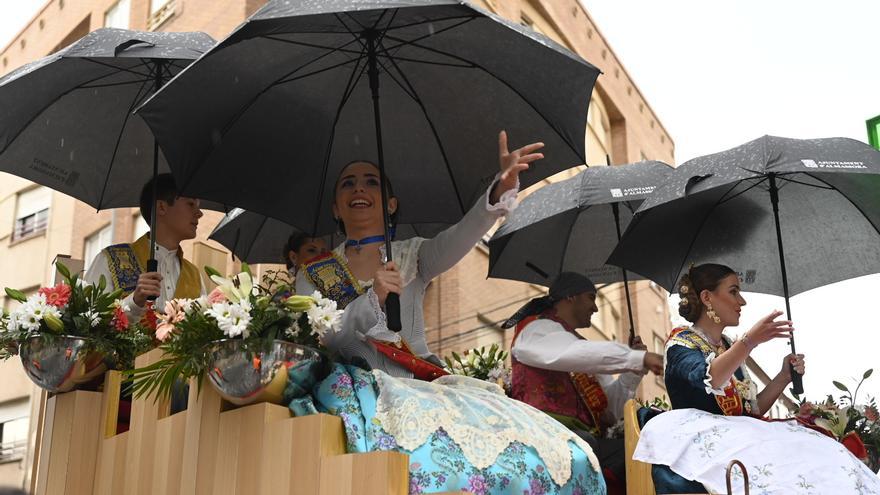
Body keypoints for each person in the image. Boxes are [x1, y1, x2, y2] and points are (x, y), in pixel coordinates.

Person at [288, 132, 607, 494]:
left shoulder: (413, 255)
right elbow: (330, 337)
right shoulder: (314, 273)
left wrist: (499, 190)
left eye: (371, 182)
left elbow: (461, 236)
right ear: (336, 208)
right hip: (354, 388)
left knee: (530, 453)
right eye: (348, 183)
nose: (359, 188)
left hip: (421, 386)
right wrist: (373, 296)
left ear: (390, 204)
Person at [633, 263, 880, 494]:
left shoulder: (727, 347)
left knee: (819, 450)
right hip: (706, 442)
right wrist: (749, 341)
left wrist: (783, 377)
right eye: (733, 292)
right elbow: (711, 378)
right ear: (707, 297)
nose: (742, 301)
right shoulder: (681, 343)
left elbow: (753, 408)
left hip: (739, 434)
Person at [504, 271, 664, 493]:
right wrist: (635, 357)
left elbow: (611, 411)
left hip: (583, 441)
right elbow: (571, 352)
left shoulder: (581, 347)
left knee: (641, 454)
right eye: (591, 297)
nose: (595, 308)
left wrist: (634, 369)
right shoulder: (535, 328)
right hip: (543, 437)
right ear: (571, 296)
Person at [85, 173, 206, 320]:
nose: (199, 213)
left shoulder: (194, 276)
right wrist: (135, 301)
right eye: (191, 204)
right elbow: (88, 321)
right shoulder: (110, 259)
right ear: (161, 207)